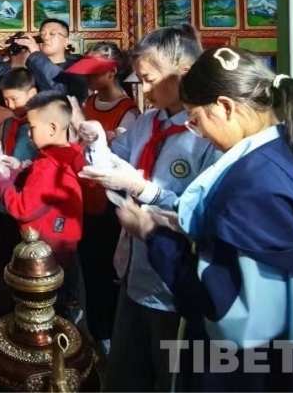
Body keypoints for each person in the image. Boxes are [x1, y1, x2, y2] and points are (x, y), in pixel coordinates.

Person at [111, 47, 293, 392]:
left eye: (196, 120)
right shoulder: (291, 153)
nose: (198, 132)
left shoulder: (249, 186)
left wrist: (154, 235)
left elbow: (225, 314)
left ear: (226, 107)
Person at [78, 24, 221, 392]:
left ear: (183, 73)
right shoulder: (146, 122)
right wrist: (96, 143)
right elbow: (117, 166)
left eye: (150, 79)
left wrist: (147, 191)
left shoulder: (208, 134)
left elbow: (204, 212)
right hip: (134, 272)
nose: (143, 89)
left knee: (172, 378)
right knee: (125, 376)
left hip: (176, 283)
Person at [0, 92, 97, 324]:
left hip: (44, 254)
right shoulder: (72, 152)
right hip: (65, 244)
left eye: (32, 127)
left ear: (52, 128)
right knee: (65, 298)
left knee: (41, 312)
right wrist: (14, 171)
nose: (29, 134)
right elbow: (38, 188)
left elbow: (22, 208)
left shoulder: (48, 166)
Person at [64, 41, 140, 356]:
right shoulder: (89, 103)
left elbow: (120, 160)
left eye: (94, 73)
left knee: (107, 273)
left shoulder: (129, 112)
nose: (89, 80)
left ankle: (110, 337)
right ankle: (96, 332)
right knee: (89, 271)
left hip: (110, 204)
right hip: (83, 198)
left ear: (111, 73)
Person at [0, 68, 39, 271]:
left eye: (14, 99)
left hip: (31, 204)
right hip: (5, 200)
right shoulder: (8, 124)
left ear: (32, 93)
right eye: (6, 100)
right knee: (8, 258)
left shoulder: (42, 124)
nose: (10, 105)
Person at [0, 18, 88, 107]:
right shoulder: (31, 70)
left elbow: (61, 95)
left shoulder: (78, 68)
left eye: (52, 34)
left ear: (66, 42)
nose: (46, 38)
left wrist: (35, 54)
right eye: (42, 34)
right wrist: (5, 57)